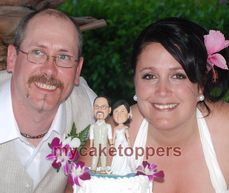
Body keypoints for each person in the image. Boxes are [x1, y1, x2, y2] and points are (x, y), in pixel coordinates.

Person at [128, 17, 229, 193]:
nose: (162, 91)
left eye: (178, 76)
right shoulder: (110, 139)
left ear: (201, 84)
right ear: (135, 81)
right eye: (149, 76)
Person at [0, 9, 96, 193]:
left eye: (63, 57)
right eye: (37, 52)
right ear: (12, 58)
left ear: (77, 70)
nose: (49, 71)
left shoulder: (90, 110)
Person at [89, 96, 113, 172]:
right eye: (97, 107)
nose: (99, 109)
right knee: (95, 157)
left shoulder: (108, 126)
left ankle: (103, 169)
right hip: (95, 145)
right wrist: (91, 146)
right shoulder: (93, 126)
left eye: (103, 107)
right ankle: (93, 168)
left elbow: (110, 137)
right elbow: (91, 137)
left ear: (109, 110)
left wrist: (112, 145)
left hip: (104, 145)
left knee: (103, 157)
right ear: (93, 109)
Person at [110, 99, 132, 175]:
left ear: (128, 115)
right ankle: (117, 169)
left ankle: (125, 169)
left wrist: (129, 146)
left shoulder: (125, 128)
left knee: (124, 156)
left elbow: (128, 137)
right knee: (117, 157)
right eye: (116, 111)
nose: (119, 114)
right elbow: (113, 138)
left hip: (124, 144)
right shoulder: (115, 129)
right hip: (117, 144)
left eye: (122, 111)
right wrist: (112, 145)